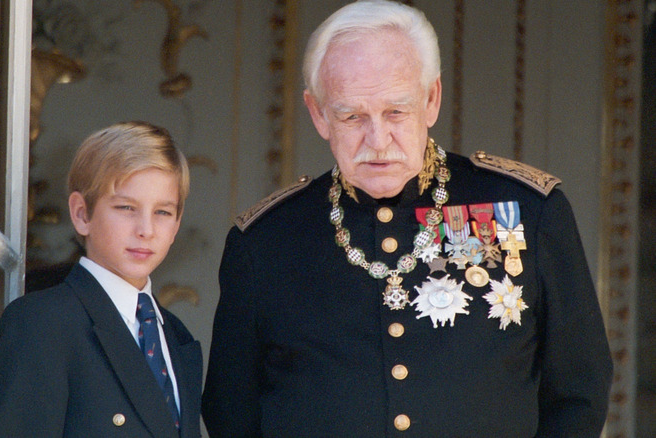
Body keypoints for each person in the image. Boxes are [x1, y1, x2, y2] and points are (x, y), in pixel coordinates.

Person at [202, 1, 613, 436]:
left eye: (396, 111)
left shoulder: (528, 210)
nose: (378, 140)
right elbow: (232, 411)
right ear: (318, 114)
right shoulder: (265, 242)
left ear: (431, 99)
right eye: (352, 115)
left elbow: (579, 391)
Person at [0, 121, 202, 437]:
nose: (146, 229)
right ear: (82, 214)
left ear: (178, 222)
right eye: (127, 207)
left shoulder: (178, 337)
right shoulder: (41, 323)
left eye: (163, 212)